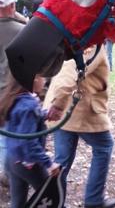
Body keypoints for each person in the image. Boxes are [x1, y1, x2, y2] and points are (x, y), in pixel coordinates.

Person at [45, 45, 115, 208]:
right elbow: (70, 71)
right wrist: (59, 104)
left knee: (61, 161)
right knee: (104, 146)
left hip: (66, 110)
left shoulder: (77, 38)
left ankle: (56, 202)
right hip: (79, 110)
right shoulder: (92, 44)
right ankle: (93, 199)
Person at [0, 73, 60, 208]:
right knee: (54, 198)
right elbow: (28, 141)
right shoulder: (29, 105)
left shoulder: (15, 97)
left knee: (18, 203)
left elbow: (20, 121)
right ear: (34, 80)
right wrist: (48, 163)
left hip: (13, 160)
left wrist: (44, 115)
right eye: (42, 77)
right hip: (29, 164)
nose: (45, 81)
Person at [0, 0, 26, 187]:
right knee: (7, 137)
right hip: (10, 93)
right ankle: (6, 174)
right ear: (11, 6)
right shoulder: (21, 31)